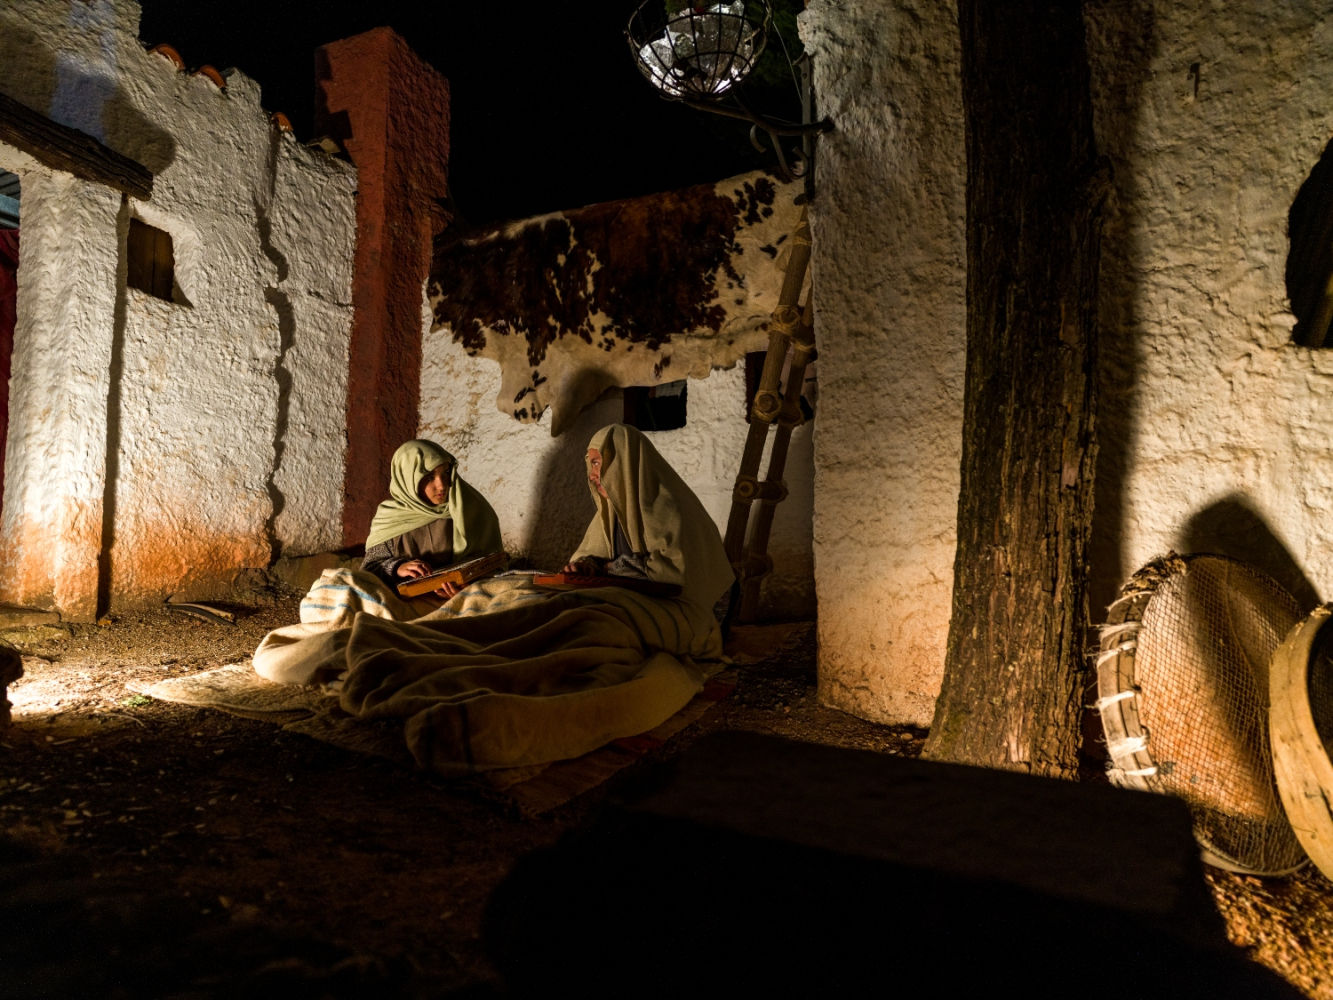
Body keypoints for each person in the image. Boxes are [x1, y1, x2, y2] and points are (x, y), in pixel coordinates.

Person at [361, 439, 503, 598]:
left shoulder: (469, 509)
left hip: (463, 600)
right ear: (407, 477)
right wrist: (397, 568)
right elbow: (369, 568)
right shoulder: (390, 518)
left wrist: (468, 588)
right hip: (408, 603)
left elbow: (495, 564)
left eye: (446, 473)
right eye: (429, 477)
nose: (442, 485)